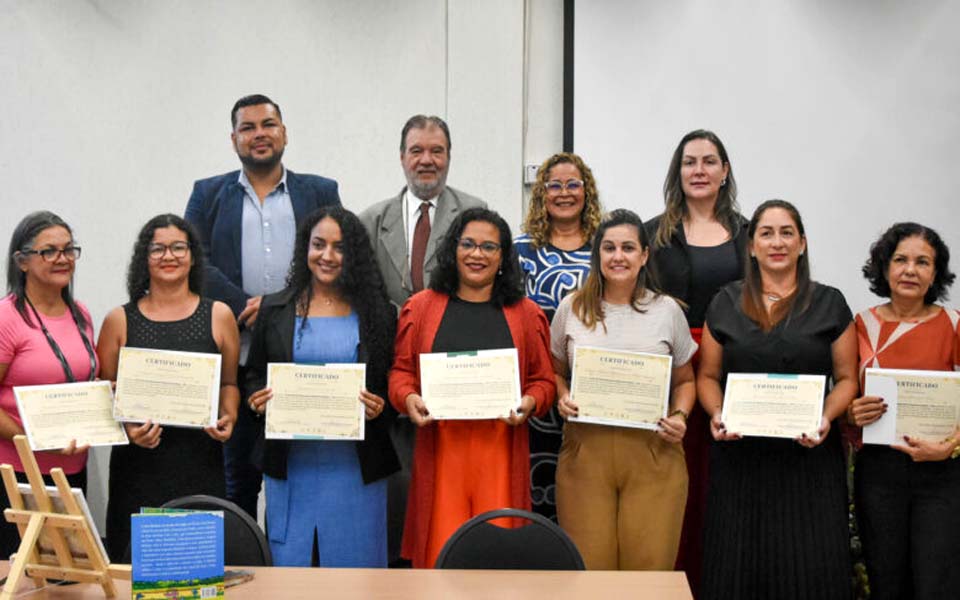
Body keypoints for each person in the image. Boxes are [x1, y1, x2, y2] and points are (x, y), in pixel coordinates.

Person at [185, 94, 341, 520]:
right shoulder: (208, 193)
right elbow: (195, 260)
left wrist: (276, 305)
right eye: (248, 127)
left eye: (268, 125)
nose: (259, 135)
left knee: (297, 473)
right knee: (236, 478)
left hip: (302, 353)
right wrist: (244, 304)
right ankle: (243, 568)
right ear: (233, 138)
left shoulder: (321, 191)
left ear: (284, 133)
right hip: (234, 353)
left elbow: (336, 257)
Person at [696, 199, 858, 600]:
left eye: (787, 233)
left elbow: (847, 379)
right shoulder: (725, 302)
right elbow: (708, 376)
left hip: (809, 460)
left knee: (810, 568)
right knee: (737, 567)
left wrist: (825, 417)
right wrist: (717, 413)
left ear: (803, 243)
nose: (777, 242)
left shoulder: (831, 303)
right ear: (751, 246)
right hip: (741, 462)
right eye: (766, 233)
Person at [388, 207, 556, 568]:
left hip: (499, 454)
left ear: (502, 258)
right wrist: (408, 397)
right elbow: (400, 374)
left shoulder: (526, 314)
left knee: (497, 561)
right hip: (442, 453)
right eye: (468, 244)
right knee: (440, 559)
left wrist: (531, 401)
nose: (477, 254)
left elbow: (544, 381)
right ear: (453, 250)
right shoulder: (420, 308)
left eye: (489, 247)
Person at [359, 114, 485, 564]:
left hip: (457, 385)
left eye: (436, 151)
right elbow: (364, 297)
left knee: (447, 509)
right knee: (396, 505)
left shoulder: (475, 214)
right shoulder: (372, 220)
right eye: (417, 151)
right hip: (389, 385)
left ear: (449, 156)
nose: (426, 161)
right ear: (401, 158)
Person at [245, 206, 401, 567]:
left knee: (358, 573)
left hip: (356, 467)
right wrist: (258, 400)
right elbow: (253, 374)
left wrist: (381, 406)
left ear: (354, 255)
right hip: (291, 465)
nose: (327, 256)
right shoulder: (274, 307)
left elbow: (394, 381)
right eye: (319, 244)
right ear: (305, 248)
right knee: (292, 571)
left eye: (340, 247)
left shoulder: (378, 312)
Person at [552, 209, 696, 569]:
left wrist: (680, 415)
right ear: (597, 254)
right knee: (589, 575)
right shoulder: (571, 307)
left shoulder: (667, 311)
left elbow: (686, 381)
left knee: (648, 577)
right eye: (609, 247)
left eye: (628, 248)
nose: (618, 257)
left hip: (654, 455)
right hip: (586, 456)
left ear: (644, 255)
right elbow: (554, 373)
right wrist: (562, 395)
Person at [97, 214, 240, 560]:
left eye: (178, 247)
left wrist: (229, 417)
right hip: (139, 466)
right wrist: (129, 431)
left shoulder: (219, 315)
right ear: (144, 258)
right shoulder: (119, 319)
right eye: (157, 248)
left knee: (195, 571)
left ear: (192, 255)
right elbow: (103, 395)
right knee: (138, 572)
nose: (169, 256)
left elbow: (230, 383)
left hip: (199, 460)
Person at [645, 129, 747, 592]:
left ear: (725, 172)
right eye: (689, 162)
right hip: (670, 376)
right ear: (677, 172)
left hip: (734, 372)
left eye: (709, 161)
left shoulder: (751, 234)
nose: (699, 170)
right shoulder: (651, 234)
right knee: (671, 487)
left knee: (721, 487)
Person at [847, 222, 960, 599]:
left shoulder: (954, 325)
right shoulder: (859, 325)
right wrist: (851, 413)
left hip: (941, 474)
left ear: (935, 273)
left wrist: (951, 447)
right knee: (885, 582)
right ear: (884, 268)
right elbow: (845, 395)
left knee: (935, 584)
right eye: (900, 260)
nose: (910, 270)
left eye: (923, 262)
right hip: (878, 475)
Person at [0, 211, 95, 557]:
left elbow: (80, 379)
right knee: (20, 576)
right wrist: (35, 439)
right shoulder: (7, 318)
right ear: (22, 261)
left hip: (71, 471)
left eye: (69, 250)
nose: (62, 259)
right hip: (17, 474)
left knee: (69, 577)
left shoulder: (80, 313)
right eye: (49, 251)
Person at [515, 152, 600, 522]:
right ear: (541, 194)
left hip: (594, 395)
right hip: (534, 389)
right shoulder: (520, 251)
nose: (564, 193)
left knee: (586, 492)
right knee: (536, 489)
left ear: (587, 192)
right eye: (554, 185)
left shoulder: (606, 249)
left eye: (573, 185)